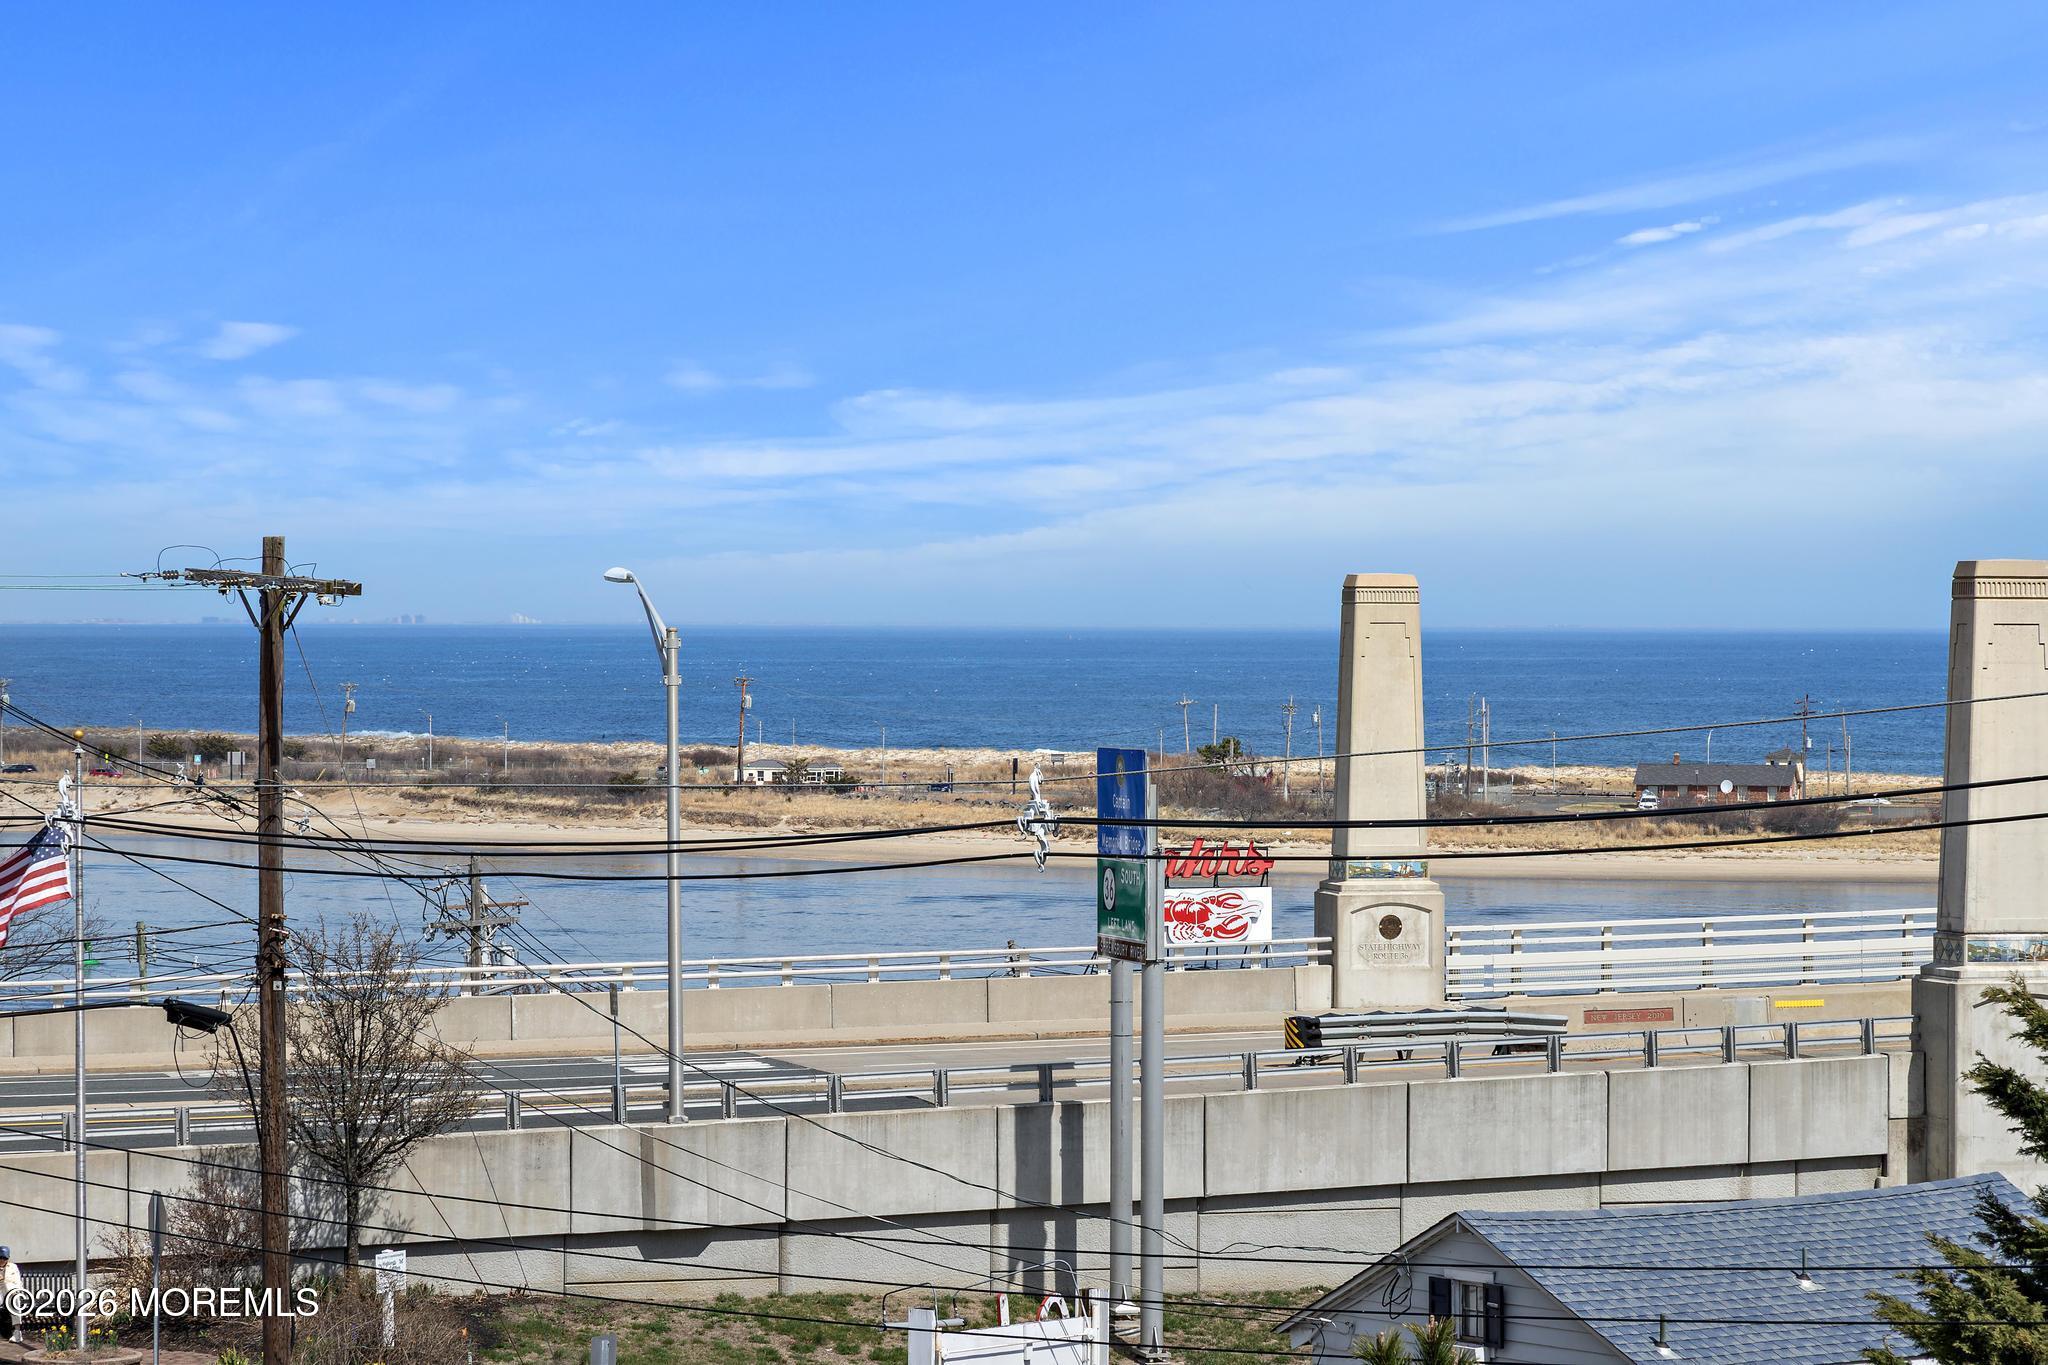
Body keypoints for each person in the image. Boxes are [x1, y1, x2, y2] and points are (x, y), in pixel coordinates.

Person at [0, 1245, 21, 1344]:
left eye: (5, 1258)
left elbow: (18, 1281)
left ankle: (17, 1333)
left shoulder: (13, 1266)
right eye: (1, 1257)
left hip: (11, 1291)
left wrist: (17, 1291)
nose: (3, 1260)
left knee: (15, 1305)